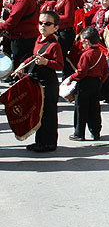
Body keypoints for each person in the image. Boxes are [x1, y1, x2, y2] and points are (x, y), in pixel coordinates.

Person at [14, 11, 64, 152]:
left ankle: (48, 143)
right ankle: (40, 142)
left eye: (47, 24)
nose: (43, 26)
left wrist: (46, 61)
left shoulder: (54, 45)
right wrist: (21, 65)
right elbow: (33, 57)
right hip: (37, 81)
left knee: (48, 113)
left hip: (48, 82)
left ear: (55, 27)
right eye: (41, 23)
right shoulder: (38, 39)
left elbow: (60, 65)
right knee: (40, 113)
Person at [67, 26, 109, 141]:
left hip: (84, 84)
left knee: (80, 109)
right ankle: (95, 132)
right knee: (94, 108)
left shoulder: (86, 55)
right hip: (96, 83)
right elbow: (106, 71)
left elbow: (81, 72)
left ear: (86, 41)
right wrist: (100, 82)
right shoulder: (101, 54)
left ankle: (79, 133)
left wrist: (71, 78)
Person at [0, 0, 38, 71]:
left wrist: (2, 27)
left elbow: (13, 19)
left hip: (22, 37)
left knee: (20, 63)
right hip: (27, 35)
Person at [53, 0, 77, 79]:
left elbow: (68, 17)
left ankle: (68, 78)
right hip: (59, 30)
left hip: (66, 32)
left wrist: (52, 18)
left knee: (63, 57)